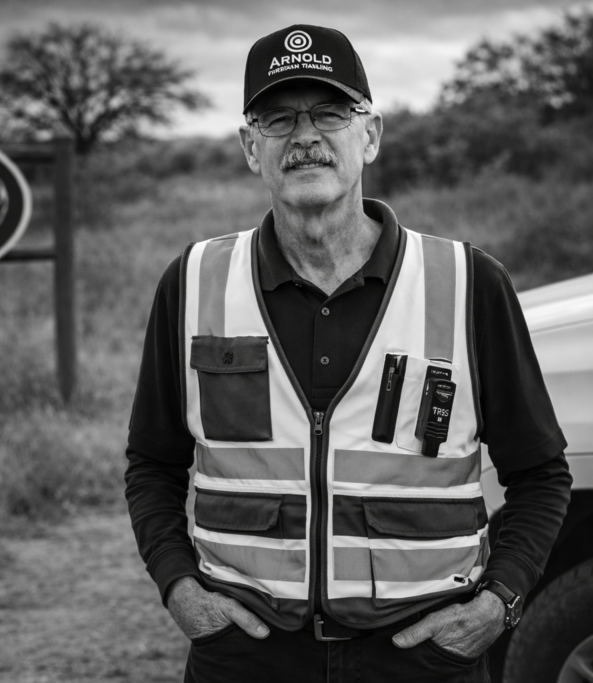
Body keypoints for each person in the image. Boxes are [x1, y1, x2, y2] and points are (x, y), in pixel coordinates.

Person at [124, 24, 572, 682]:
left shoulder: (469, 283)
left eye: (330, 112)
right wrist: (181, 591)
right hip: (246, 657)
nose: (305, 136)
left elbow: (540, 474)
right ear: (251, 148)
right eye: (279, 118)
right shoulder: (194, 283)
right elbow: (152, 464)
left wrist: (497, 605)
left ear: (370, 135)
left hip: (423, 660)